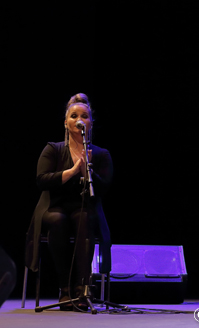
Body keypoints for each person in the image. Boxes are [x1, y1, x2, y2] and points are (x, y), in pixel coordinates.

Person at [25, 93, 113, 311]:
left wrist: (87, 171)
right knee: (58, 220)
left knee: (84, 218)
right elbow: (41, 180)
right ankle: (65, 289)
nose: (79, 120)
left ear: (90, 123)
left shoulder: (100, 154)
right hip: (54, 206)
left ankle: (82, 289)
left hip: (84, 206)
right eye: (74, 116)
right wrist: (73, 171)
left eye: (84, 116)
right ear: (66, 122)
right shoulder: (53, 149)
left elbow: (104, 188)